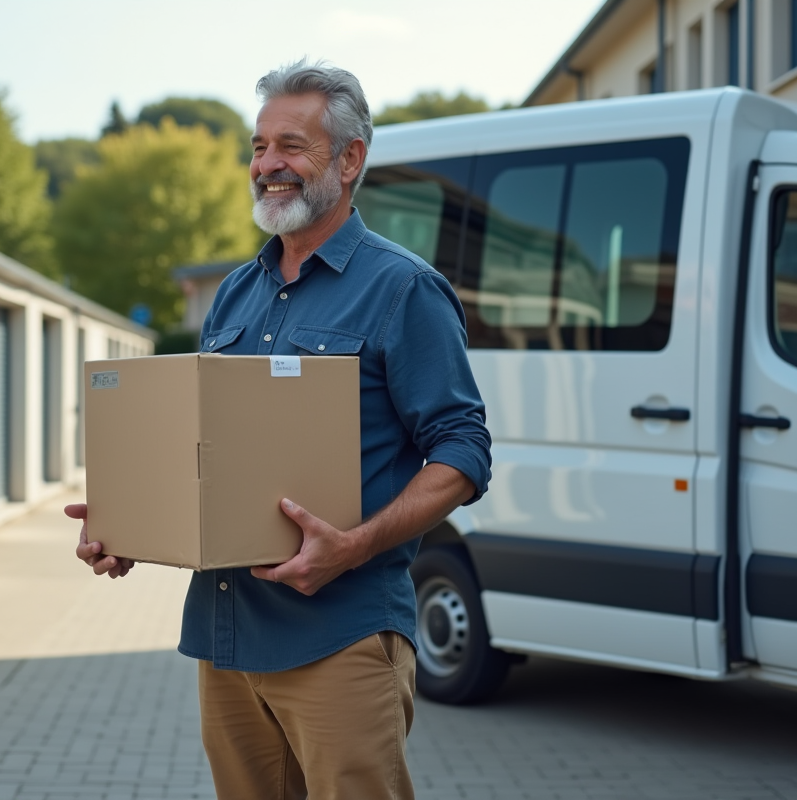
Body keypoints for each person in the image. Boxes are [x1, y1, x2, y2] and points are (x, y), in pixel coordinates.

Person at [68, 59, 491, 800]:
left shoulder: (404, 289)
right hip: (226, 640)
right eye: (259, 148)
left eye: (291, 146)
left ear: (351, 158)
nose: (268, 165)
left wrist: (354, 544)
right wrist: (130, 523)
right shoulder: (236, 290)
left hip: (340, 639)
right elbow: (207, 448)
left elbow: (462, 449)